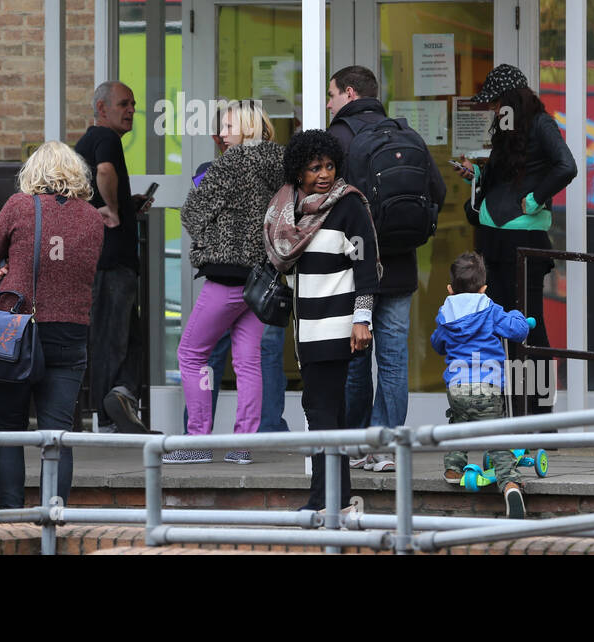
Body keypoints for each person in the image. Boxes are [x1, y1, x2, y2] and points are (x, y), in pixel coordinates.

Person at [327, 65, 446, 472]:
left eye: (331, 95)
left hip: (353, 268)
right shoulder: (405, 134)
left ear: (348, 93)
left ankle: (358, 444)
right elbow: (438, 190)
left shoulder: (339, 138)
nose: (327, 103)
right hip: (401, 265)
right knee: (393, 358)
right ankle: (387, 444)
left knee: (355, 356)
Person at [0, 142, 104, 507]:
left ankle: (12, 520)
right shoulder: (93, 218)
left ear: (33, 172)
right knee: (58, 435)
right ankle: (54, 516)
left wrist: (7, 266)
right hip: (70, 332)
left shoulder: (19, 205)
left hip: (15, 331)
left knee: (8, 430)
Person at [264, 129, 379, 511]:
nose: (324, 174)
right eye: (315, 168)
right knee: (330, 414)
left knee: (320, 413)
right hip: (307, 329)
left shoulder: (348, 206)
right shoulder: (288, 210)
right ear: (299, 172)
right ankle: (340, 501)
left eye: (330, 166)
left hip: (337, 326)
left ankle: (322, 502)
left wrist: (362, 319)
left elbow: (366, 267)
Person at [455, 64, 577, 416]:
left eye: (496, 103)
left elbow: (566, 166)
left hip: (524, 242)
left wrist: (537, 197)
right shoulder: (510, 130)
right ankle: (513, 414)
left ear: (511, 100)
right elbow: (505, 180)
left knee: (528, 327)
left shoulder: (540, 124)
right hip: (495, 240)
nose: (493, 110)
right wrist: (475, 174)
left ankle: (538, 417)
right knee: (502, 329)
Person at [168, 100, 285, 464]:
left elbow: (193, 211)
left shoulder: (231, 163)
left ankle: (197, 441)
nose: (222, 133)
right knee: (248, 362)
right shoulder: (280, 164)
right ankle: (243, 445)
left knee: (191, 353)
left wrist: (212, 234)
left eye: (230, 126)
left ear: (249, 128)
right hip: (261, 278)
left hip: (227, 275)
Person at [429, 251, 532, 518]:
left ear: (450, 289)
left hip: (458, 388)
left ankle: (453, 468)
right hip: (487, 386)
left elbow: (437, 344)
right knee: (496, 437)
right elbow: (517, 330)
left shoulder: (445, 315)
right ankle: (509, 483)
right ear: (484, 288)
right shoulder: (490, 309)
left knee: (458, 423)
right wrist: (519, 316)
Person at [75, 80, 151, 434]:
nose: (131, 110)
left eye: (133, 104)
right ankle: (107, 417)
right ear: (102, 108)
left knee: (126, 337)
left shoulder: (89, 142)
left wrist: (126, 203)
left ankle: (121, 402)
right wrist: (112, 207)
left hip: (108, 260)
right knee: (112, 336)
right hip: (110, 261)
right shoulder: (103, 137)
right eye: (124, 104)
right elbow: (104, 172)